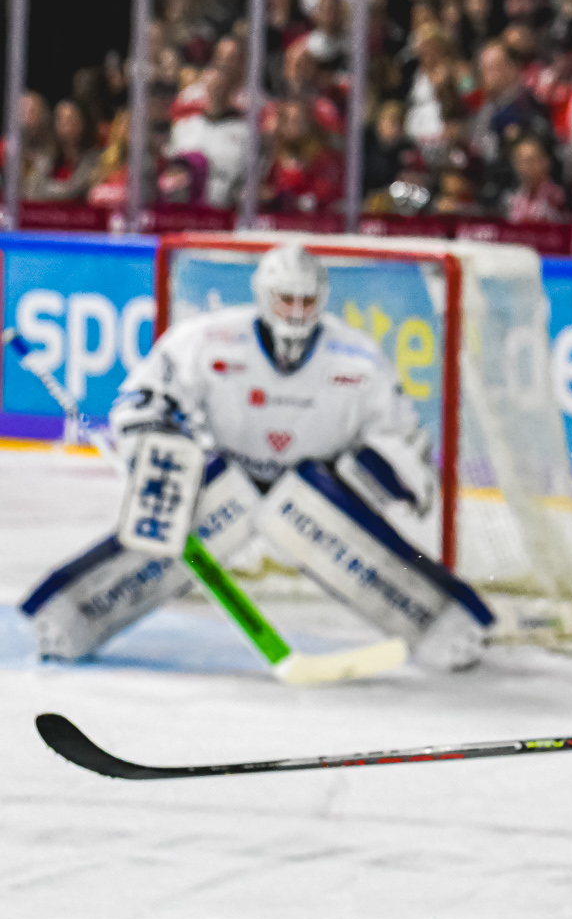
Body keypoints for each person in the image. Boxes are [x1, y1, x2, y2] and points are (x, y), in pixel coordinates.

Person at [21, 244, 492, 672]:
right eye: (287, 300)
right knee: (164, 517)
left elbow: (405, 446)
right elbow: (141, 401)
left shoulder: (358, 358)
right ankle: (68, 615)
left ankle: (447, 625)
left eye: (307, 301)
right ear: (265, 297)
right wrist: (156, 451)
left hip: (318, 492)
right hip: (226, 477)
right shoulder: (207, 339)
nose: (297, 312)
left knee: (322, 516)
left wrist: (360, 484)